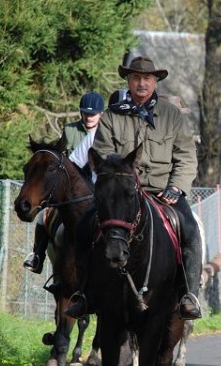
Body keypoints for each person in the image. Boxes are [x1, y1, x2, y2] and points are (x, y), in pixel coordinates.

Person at [64, 56, 203, 321]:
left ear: (155, 82)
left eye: (147, 78)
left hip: (162, 192)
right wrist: (121, 182)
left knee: (190, 229)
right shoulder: (112, 116)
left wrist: (176, 187)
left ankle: (189, 295)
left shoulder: (171, 116)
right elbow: (102, 155)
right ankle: (84, 294)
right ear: (128, 81)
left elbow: (186, 156)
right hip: (121, 194)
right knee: (84, 227)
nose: (141, 83)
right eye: (136, 78)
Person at [23, 91, 105, 275]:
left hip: (93, 183)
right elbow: (64, 159)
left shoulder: (105, 132)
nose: (89, 117)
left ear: (101, 114)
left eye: (93, 114)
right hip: (70, 184)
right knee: (44, 214)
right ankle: (37, 255)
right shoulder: (70, 130)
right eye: (86, 113)